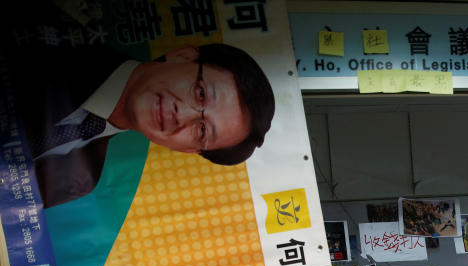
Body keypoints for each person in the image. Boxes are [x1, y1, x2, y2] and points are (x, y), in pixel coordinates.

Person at [10, 43, 275, 208]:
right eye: (200, 93)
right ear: (182, 55)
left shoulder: (81, 180)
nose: (181, 114)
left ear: (186, 150)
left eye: (202, 130)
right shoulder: (61, 43)